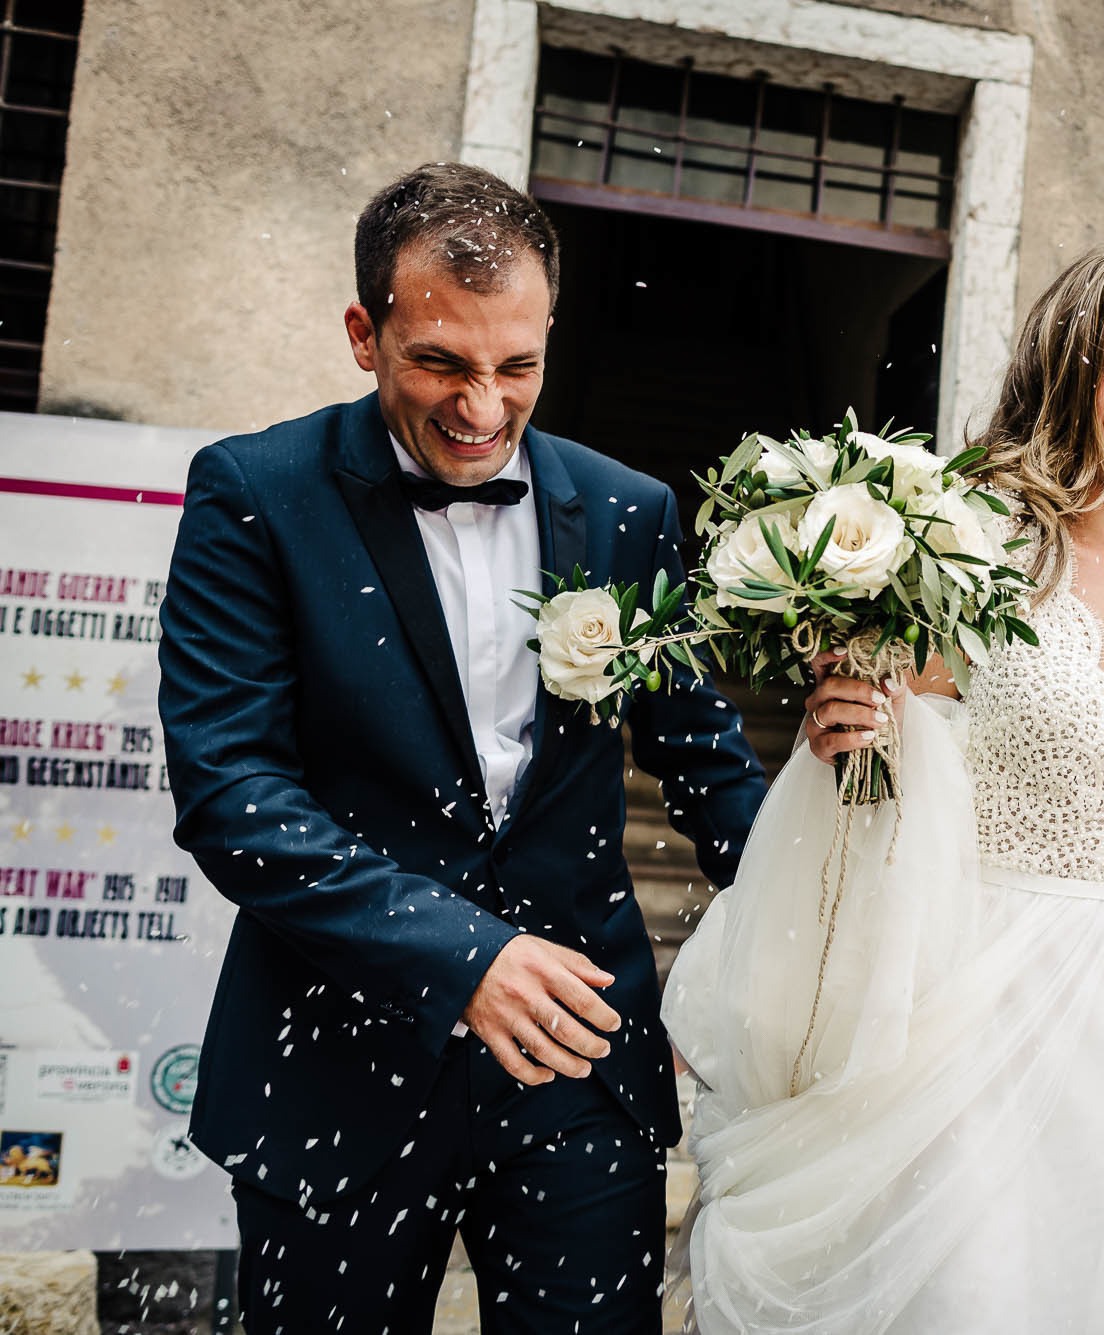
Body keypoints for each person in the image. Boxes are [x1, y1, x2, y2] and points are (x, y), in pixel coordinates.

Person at [660, 240, 1104, 1332]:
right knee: (977, 1299)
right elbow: (873, 741)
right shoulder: (975, 553)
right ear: (1063, 370)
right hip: (981, 999)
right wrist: (844, 718)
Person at [158, 162, 765, 1334]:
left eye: (515, 367)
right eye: (439, 362)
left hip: (581, 1063)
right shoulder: (255, 495)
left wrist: (835, 907)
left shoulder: (629, 508)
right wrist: (463, 958)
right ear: (362, 332)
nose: (481, 407)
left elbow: (707, 767)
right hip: (333, 1059)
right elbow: (233, 791)